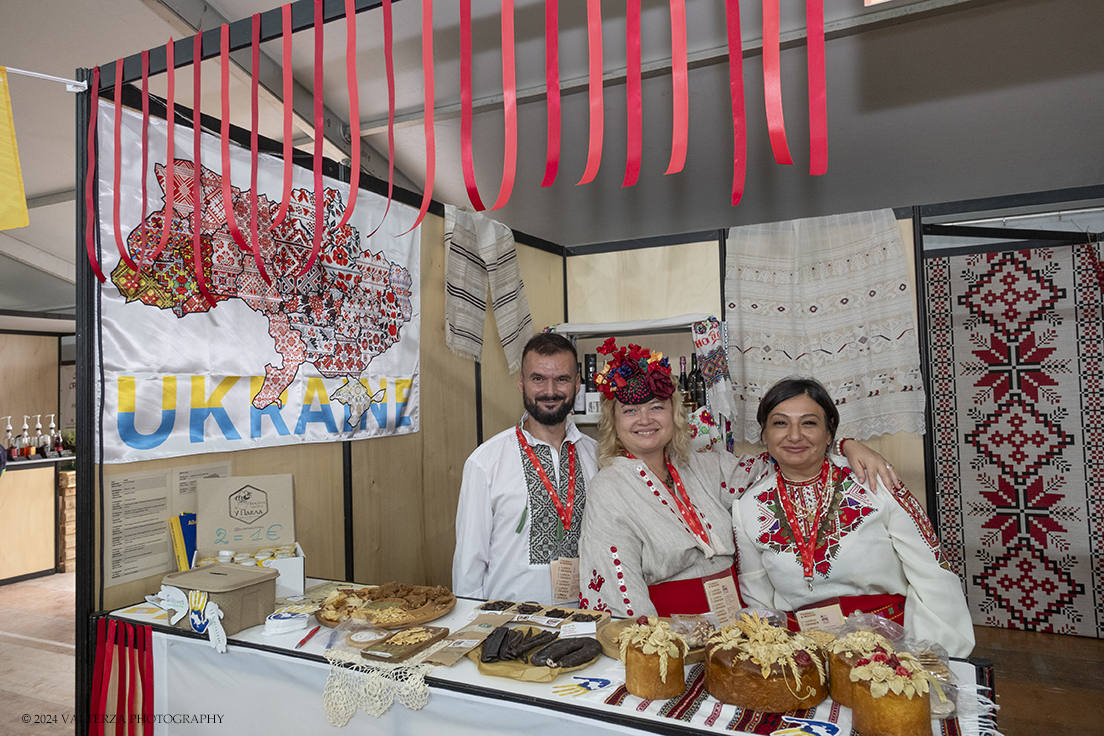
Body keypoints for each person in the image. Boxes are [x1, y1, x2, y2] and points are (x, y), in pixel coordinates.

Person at [577, 340, 900, 619]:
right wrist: (652, 647)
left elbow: (787, 455)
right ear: (613, 421)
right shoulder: (609, 488)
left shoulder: (703, 467)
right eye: (630, 411)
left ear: (674, 415)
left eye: (656, 407)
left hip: (736, 624)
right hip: (672, 633)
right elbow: (621, 591)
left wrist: (844, 444)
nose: (645, 419)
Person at [733, 376, 974, 656]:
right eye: (780, 423)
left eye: (809, 423)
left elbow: (932, 571)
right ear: (764, 435)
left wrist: (934, 654)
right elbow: (759, 602)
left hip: (893, 646)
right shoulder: (747, 508)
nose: (795, 435)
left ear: (829, 433)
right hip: (806, 653)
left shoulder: (874, 479)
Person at [452, 333, 599, 604]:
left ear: (577, 384)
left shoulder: (597, 457)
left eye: (562, 379)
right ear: (521, 382)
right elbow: (469, 563)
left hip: (585, 621)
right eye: (538, 378)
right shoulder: (486, 462)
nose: (550, 391)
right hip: (509, 627)